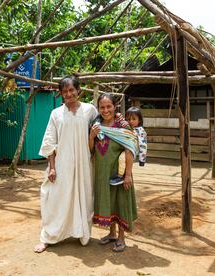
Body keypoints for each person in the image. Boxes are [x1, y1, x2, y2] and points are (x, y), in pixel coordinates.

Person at [34, 75, 98, 253]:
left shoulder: (90, 110)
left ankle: (82, 233)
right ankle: (49, 237)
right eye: (65, 91)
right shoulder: (56, 114)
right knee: (56, 198)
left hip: (84, 164)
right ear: (61, 94)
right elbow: (49, 142)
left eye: (72, 90)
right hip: (62, 164)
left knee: (83, 197)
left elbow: (103, 129)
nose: (69, 94)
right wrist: (52, 167)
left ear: (78, 90)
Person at [89, 93, 138, 252]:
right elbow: (90, 150)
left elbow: (129, 150)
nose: (105, 110)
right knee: (109, 202)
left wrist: (128, 174)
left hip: (119, 173)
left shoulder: (122, 126)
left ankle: (121, 238)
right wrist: (92, 136)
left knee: (120, 202)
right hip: (102, 172)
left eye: (108, 106)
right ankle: (111, 234)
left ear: (115, 106)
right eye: (102, 107)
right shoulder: (96, 125)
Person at [110, 106, 147, 185]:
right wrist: (118, 114)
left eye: (134, 119)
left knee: (122, 159)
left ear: (139, 120)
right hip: (125, 148)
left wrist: (142, 160)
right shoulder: (127, 127)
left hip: (132, 151)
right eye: (128, 119)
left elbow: (143, 145)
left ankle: (120, 177)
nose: (131, 121)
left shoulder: (140, 131)